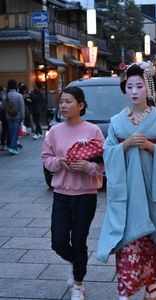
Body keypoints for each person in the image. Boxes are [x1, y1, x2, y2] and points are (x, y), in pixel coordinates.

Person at [97, 61, 156, 300]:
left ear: (149, 89)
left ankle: (152, 281)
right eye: (130, 87)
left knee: (155, 242)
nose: (134, 91)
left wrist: (148, 146)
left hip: (153, 191)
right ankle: (125, 289)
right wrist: (124, 145)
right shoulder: (117, 121)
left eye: (140, 86)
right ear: (125, 89)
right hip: (128, 193)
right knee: (128, 243)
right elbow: (107, 151)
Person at [41, 86, 104, 300]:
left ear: (81, 105)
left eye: (68, 102)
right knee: (58, 242)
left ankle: (78, 283)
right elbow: (46, 159)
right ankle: (76, 262)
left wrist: (88, 167)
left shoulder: (93, 131)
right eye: (61, 102)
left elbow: (104, 164)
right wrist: (59, 162)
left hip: (86, 196)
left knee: (79, 241)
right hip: (61, 194)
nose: (63, 106)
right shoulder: (54, 132)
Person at [2, 80, 25, 155]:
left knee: (11, 131)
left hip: (8, 116)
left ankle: (12, 146)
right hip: (17, 116)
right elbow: (22, 108)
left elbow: (3, 107)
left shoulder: (6, 95)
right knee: (15, 132)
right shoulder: (19, 95)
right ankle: (12, 147)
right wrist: (22, 117)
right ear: (15, 86)